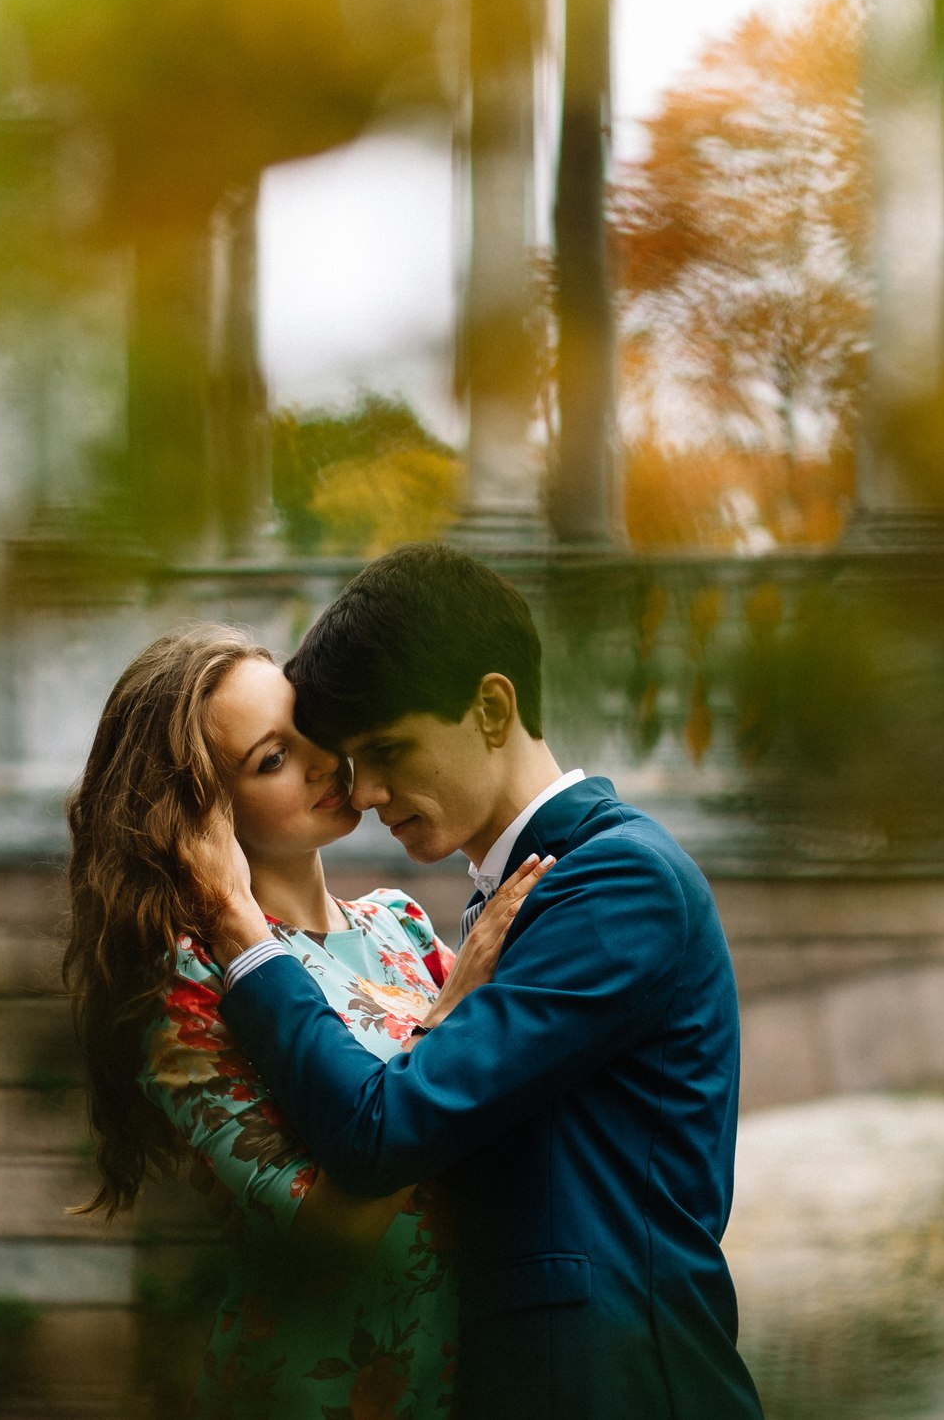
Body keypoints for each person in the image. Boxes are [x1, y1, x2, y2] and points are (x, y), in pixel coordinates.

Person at [191, 545, 766, 1420]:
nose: (368, 790)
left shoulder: (619, 885)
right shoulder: (512, 899)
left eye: (388, 749)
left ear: (492, 708)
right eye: (351, 757)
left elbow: (381, 1133)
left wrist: (243, 939)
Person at [61, 623, 548, 1420]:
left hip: (466, 1383)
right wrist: (453, 1015)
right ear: (202, 815)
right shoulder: (191, 984)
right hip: (310, 1391)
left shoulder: (402, 928)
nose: (324, 759)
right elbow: (331, 1235)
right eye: (272, 759)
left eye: (308, 728)